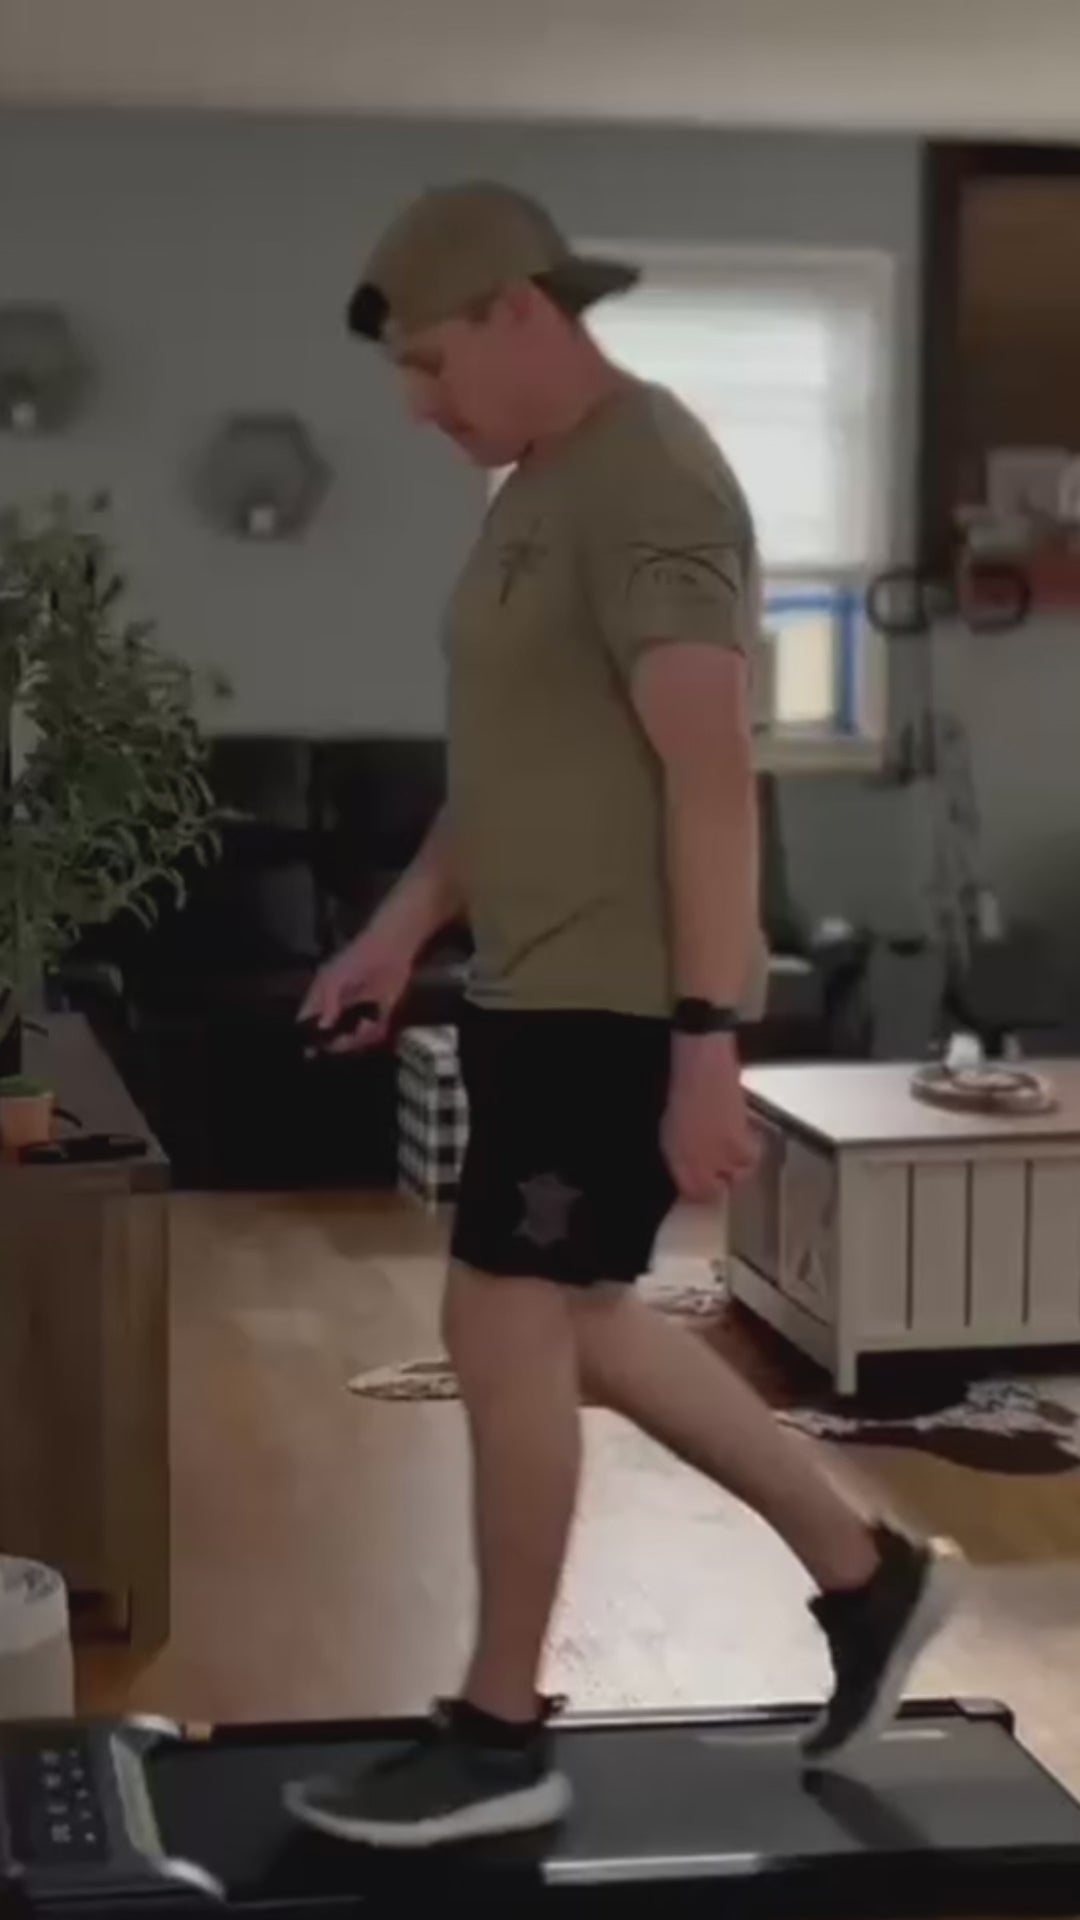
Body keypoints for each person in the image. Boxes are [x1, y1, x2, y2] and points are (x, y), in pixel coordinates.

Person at [287, 182, 960, 1850]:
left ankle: (500, 1729)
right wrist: (399, 926)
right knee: (574, 1321)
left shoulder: (652, 478)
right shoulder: (536, 488)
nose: (419, 405)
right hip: (533, 984)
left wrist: (708, 1037)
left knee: (502, 1322)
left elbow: (712, 775)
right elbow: (516, 761)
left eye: (433, 363)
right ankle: (870, 1576)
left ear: (521, 311)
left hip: (616, 1001)